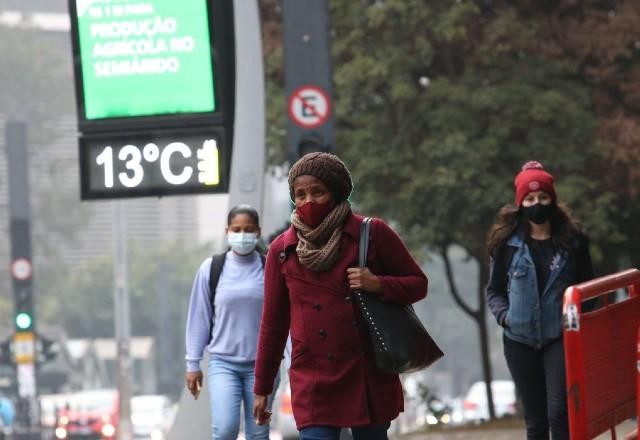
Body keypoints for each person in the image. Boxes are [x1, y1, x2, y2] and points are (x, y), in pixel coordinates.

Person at [252, 152, 428, 440]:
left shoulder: (372, 234)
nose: (308, 201)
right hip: (313, 377)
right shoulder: (282, 251)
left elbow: (418, 284)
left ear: (336, 192)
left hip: (367, 370)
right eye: (300, 194)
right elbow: (272, 324)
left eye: (317, 192)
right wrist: (262, 388)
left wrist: (378, 284)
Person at [486, 161, 595, 439]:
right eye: (530, 198)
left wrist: (575, 317)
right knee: (535, 420)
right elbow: (494, 290)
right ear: (520, 202)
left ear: (553, 200)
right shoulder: (505, 243)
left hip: (558, 336)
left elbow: (587, 287)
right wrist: (505, 316)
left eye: (543, 197)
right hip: (519, 339)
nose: (537, 203)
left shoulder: (574, 241)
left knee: (559, 413)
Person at [184, 205, 276, 440]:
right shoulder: (211, 269)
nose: (242, 235)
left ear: (258, 232)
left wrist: (292, 363)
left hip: (264, 369)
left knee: (258, 432)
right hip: (223, 365)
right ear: (227, 231)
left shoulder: (271, 269)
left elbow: (282, 319)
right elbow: (198, 318)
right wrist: (193, 364)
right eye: (237, 229)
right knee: (224, 429)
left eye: (248, 229)